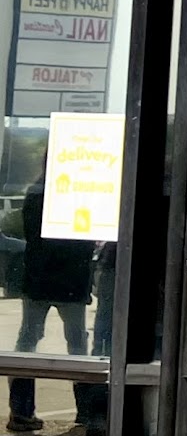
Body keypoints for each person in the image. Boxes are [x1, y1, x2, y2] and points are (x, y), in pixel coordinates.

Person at [7, 172, 96, 435]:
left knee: (27, 342)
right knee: (77, 345)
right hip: (71, 280)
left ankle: (21, 411)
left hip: (39, 279)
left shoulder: (36, 193)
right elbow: (85, 235)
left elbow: (32, 235)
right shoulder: (79, 194)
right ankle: (87, 413)